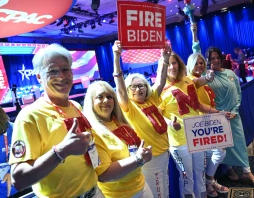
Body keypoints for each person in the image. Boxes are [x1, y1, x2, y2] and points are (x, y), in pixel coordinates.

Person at [9, 44, 104, 197]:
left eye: (66, 69)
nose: (61, 76)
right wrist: (61, 151)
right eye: (52, 71)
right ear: (39, 77)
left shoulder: (75, 106)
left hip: (95, 192)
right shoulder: (29, 116)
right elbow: (18, 180)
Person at [112, 40, 172, 198]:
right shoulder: (128, 106)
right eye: (134, 86)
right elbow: (119, 85)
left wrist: (164, 59)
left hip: (164, 152)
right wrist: (116, 57)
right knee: (158, 193)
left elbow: (160, 80)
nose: (138, 89)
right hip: (150, 159)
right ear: (128, 90)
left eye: (142, 85)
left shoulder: (151, 99)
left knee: (164, 187)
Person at [159, 49, 222, 198]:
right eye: (168, 64)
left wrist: (217, 113)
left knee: (200, 173)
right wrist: (170, 124)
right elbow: (159, 115)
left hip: (196, 136)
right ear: (162, 67)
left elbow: (198, 100)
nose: (172, 67)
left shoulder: (187, 79)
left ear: (179, 64)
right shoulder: (161, 90)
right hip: (179, 140)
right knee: (187, 178)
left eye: (174, 63)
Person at [83, 81, 153, 198]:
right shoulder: (90, 134)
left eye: (109, 96)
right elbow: (103, 175)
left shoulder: (120, 122)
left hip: (141, 185)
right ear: (91, 102)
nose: (106, 100)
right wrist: (138, 159)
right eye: (100, 97)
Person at [205, 46, 254, 188]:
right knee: (225, 145)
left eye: (217, 57)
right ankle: (230, 170)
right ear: (208, 60)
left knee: (239, 143)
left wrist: (235, 110)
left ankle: (247, 172)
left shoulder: (230, 73)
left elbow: (239, 93)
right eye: (212, 58)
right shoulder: (207, 77)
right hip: (219, 117)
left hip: (234, 115)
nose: (216, 60)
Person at [187, 23, 229, 197]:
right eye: (196, 63)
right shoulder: (190, 80)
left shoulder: (203, 78)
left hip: (208, 123)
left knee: (220, 152)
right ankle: (208, 184)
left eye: (202, 63)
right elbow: (196, 102)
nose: (199, 65)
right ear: (190, 64)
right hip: (197, 124)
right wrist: (194, 33)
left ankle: (209, 180)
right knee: (210, 156)